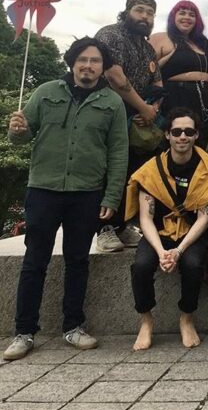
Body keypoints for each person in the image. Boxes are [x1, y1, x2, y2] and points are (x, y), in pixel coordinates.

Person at [4, 37, 128, 360]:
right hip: (43, 190)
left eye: (96, 60)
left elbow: (118, 153)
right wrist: (15, 130)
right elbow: (21, 136)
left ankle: (73, 326)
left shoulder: (112, 103)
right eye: (83, 59)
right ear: (72, 62)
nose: (89, 65)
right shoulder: (45, 93)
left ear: (103, 67)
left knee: (77, 261)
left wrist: (113, 195)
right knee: (35, 261)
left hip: (86, 194)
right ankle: (24, 331)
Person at [125, 108, 208, 350]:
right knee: (141, 265)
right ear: (167, 135)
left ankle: (187, 317)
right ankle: (146, 319)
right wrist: (162, 252)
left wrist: (179, 251)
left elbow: (205, 218)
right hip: (158, 233)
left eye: (188, 132)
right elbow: (146, 218)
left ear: (196, 136)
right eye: (177, 132)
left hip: (191, 234)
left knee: (193, 264)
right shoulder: (151, 170)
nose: (182, 136)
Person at [95, 0, 163, 252]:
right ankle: (102, 228)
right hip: (107, 114)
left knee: (132, 171)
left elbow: (157, 81)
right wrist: (143, 107)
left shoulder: (146, 47)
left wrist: (153, 109)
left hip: (138, 120)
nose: (145, 17)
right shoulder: (111, 35)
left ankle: (121, 225)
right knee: (107, 170)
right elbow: (116, 78)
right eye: (140, 10)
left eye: (150, 13)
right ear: (127, 11)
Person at [149, 0, 208, 148]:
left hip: (204, 101)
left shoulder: (202, 43)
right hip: (175, 97)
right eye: (182, 13)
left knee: (201, 146)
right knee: (173, 144)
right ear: (173, 16)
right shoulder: (161, 38)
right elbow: (147, 71)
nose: (187, 17)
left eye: (192, 14)